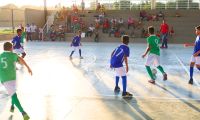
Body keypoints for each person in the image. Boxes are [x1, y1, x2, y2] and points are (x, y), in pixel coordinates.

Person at [0, 42, 32, 120]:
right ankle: (23, 113)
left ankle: (12, 106)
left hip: (5, 78)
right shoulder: (13, 55)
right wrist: (28, 68)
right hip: (12, 78)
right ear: (11, 48)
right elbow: (21, 60)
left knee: (13, 93)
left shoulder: (0, 56)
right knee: (14, 95)